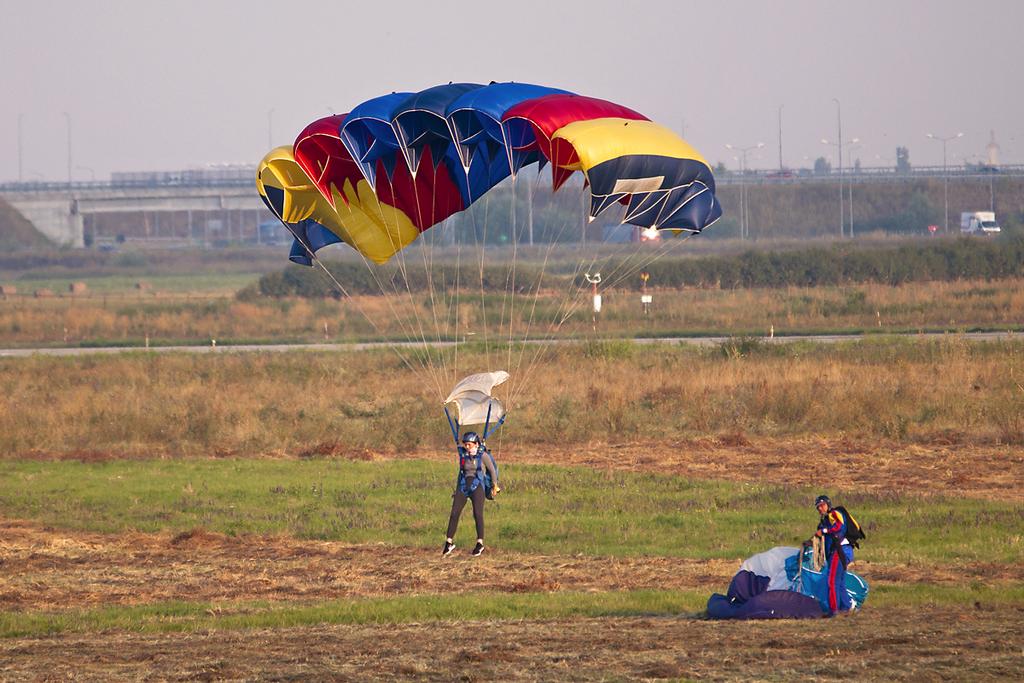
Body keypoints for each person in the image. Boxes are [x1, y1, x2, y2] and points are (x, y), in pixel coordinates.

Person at [442, 431, 500, 557]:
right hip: (463, 486)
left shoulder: (482, 455)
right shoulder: (463, 455)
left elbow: (492, 470)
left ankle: (480, 543)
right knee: (454, 513)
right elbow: (461, 473)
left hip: (477, 486)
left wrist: (494, 485)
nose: (467, 447)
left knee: (477, 513)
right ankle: (448, 542)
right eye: (465, 445)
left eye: (469, 445)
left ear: (475, 444)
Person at [814, 494, 853, 614]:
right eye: (818, 507)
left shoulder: (834, 514)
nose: (820, 508)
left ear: (828, 504)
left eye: (822, 505)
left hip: (840, 551)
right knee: (839, 581)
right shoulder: (826, 520)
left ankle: (833, 610)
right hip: (840, 551)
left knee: (832, 581)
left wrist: (824, 531)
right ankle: (845, 608)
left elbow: (839, 527)